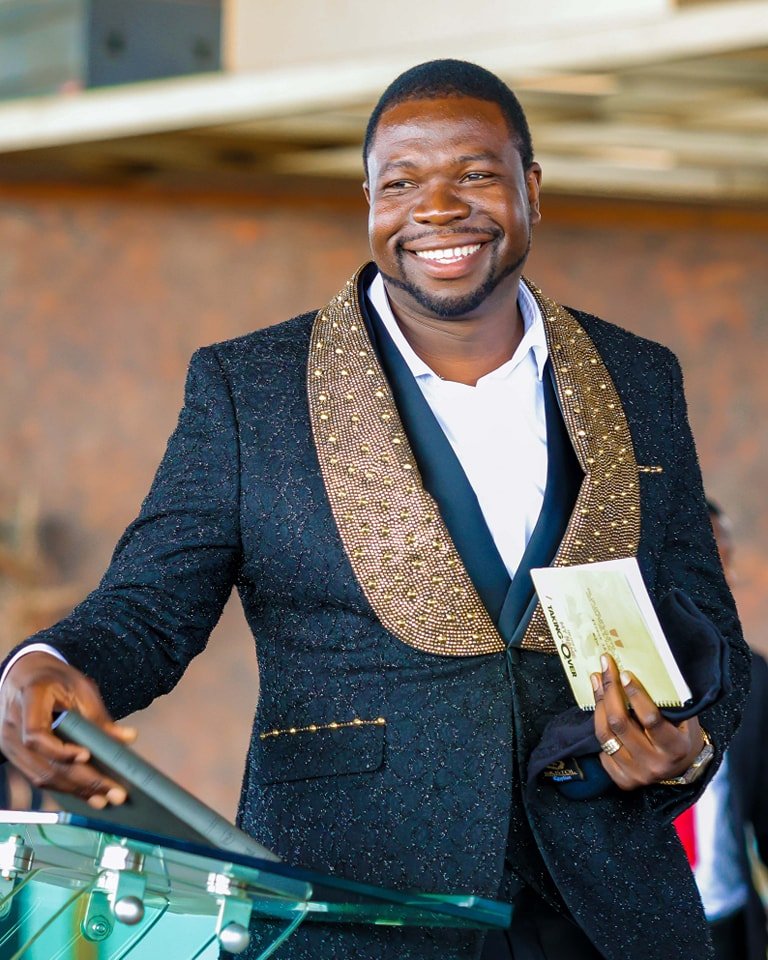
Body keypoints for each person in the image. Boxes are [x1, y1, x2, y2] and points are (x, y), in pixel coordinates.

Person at [0, 60, 750, 960]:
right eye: (401, 182)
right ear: (368, 200)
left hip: (608, 916)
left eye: (475, 174)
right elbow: (148, 609)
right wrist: (49, 663)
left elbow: (707, 623)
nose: (437, 208)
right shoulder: (251, 388)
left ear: (532, 188)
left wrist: (688, 745)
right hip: (350, 908)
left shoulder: (639, 375)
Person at [675, 501, 768, 960]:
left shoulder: (755, 676)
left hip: (727, 921)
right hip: (633, 929)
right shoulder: (598, 680)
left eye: (720, 570)